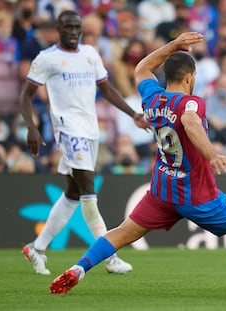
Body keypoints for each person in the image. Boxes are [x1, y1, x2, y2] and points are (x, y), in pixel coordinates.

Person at [49, 32, 226, 295]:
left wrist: (173, 45)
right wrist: (211, 154)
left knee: (122, 232)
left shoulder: (151, 96)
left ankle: (78, 268)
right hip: (198, 195)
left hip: (162, 191)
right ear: (190, 78)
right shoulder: (191, 103)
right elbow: (190, 122)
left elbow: (142, 68)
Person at [20, 10, 148, 276]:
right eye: (67, 26)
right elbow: (26, 94)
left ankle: (37, 247)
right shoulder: (47, 59)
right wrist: (31, 126)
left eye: (76, 26)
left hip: (90, 131)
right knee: (89, 190)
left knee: (73, 194)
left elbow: (107, 89)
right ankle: (110, 256)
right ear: (58, 28)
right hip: (68, 130)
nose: (73, 31)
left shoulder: (90, 54)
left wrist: (133, 113)